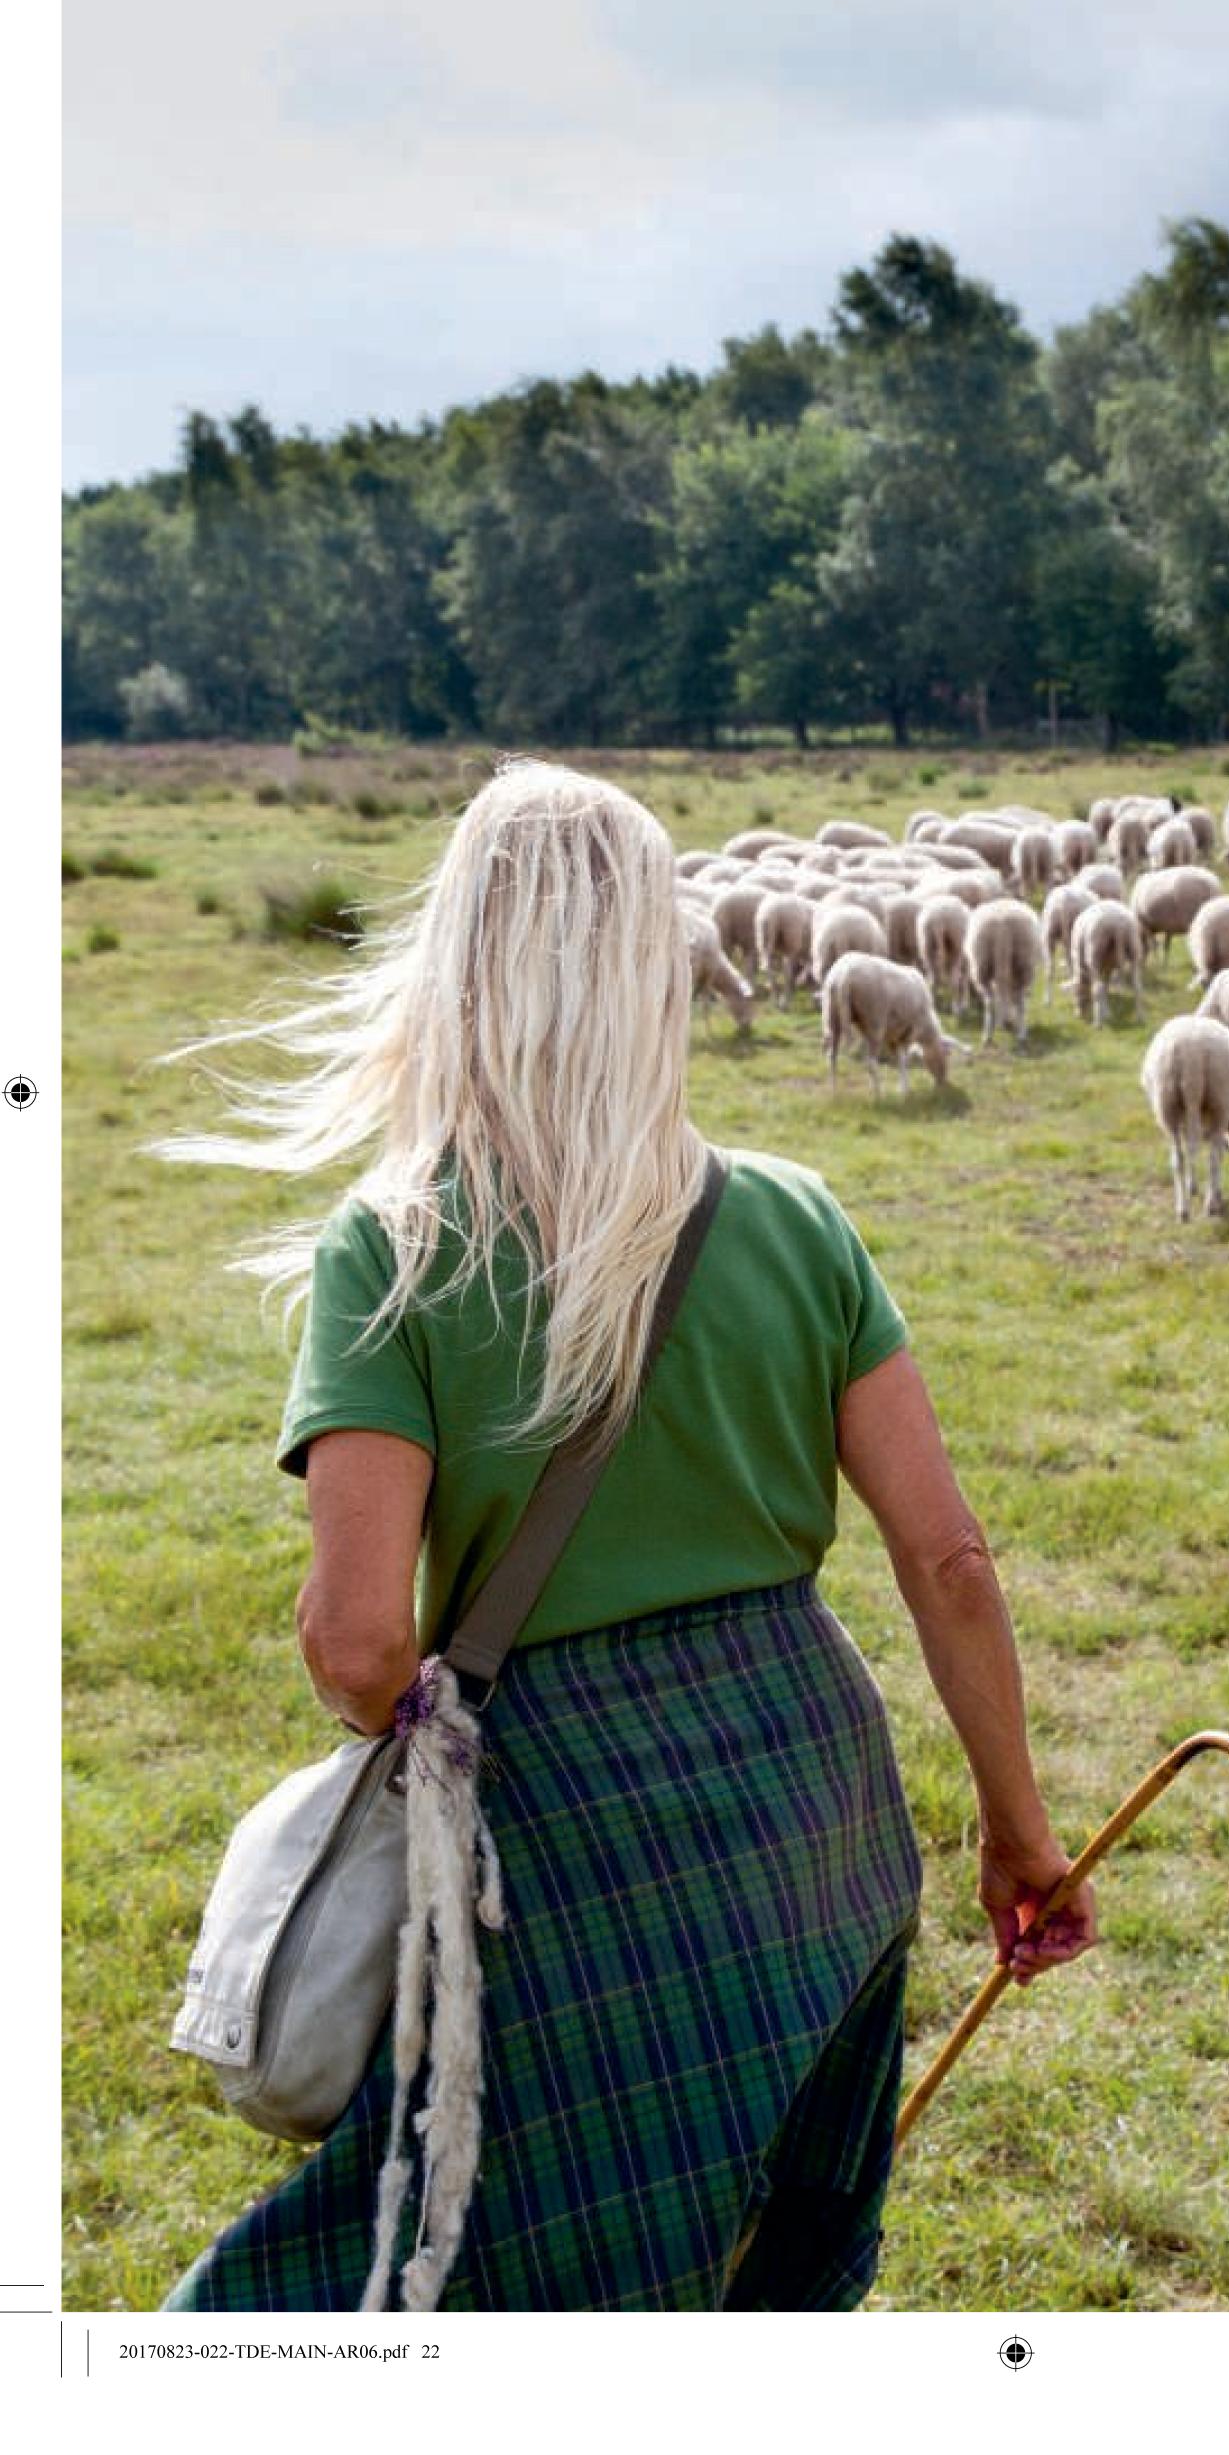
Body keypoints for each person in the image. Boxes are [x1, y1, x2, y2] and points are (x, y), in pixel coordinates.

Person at [160, 758, 1096, 2312]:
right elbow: (948, 1561)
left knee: (396, 2286)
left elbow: (358, 1643)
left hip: (563, 1839)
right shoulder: (794, 1216)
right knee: (758, 2272)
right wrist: (1017, 1830)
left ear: (462, 961)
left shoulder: (396, 1244)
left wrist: (420, 1745)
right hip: (819, 1817)